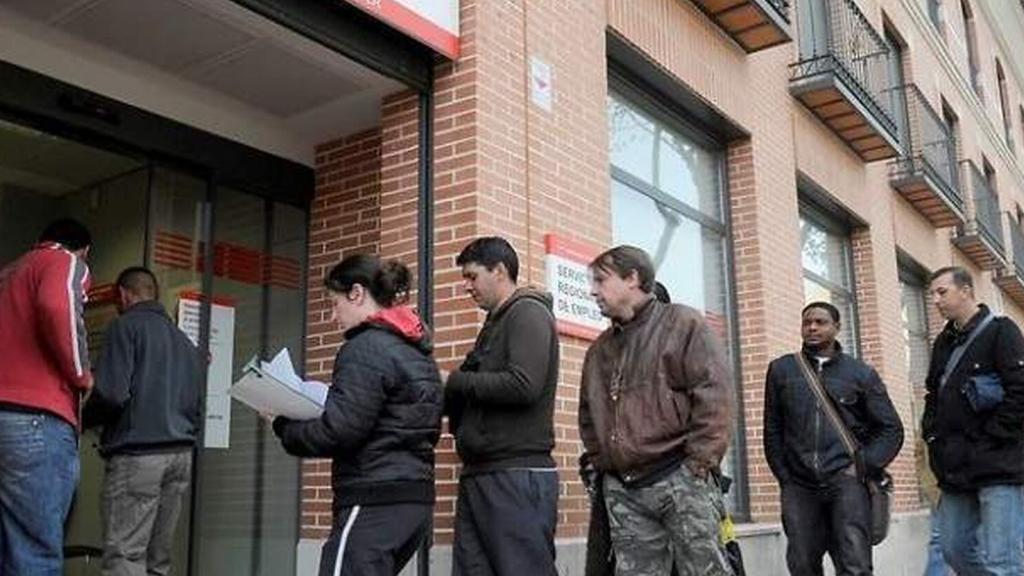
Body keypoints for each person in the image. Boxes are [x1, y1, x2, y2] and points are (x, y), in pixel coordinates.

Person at [272, 255, 442, 576]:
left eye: (335, 303)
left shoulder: (364, 348)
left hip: (372, 499)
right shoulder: (416, 351)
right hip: (413, 500)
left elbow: (339, 431)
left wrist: (282, 425)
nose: (333, 315)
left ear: (357, 293)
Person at [579, 245, 734, 575]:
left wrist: (698, 464)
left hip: (681, 477)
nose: (593, 291)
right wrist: (604, 463)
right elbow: (588, 415)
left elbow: (714, 396)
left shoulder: (683, 324)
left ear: (632, 278)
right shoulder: (599, 349)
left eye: (601, 280)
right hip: (624, 488)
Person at [763, 301, 904, 576]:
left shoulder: (860, 373)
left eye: (820, 322)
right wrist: (785, 476)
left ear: (837, 327)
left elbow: (891, 430)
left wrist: (861, 467)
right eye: (807, 322)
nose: (812, 327)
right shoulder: (782, 370)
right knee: (802, 564)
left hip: (846, 482)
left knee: (854, 564)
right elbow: (773, 429)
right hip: (799, 485)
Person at [446, 237, 559, 575]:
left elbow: (523, 385)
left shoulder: (528, 313)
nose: (467, 286)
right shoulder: (494, 323)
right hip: (482, 473)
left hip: (515, 476)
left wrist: (452, 381)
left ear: (499, 271)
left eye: (472, 276)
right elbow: (473, 390)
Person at [83, 267, 202, 576]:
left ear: (123, 295)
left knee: (126, 555)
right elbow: (196, 404)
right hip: (180, 457)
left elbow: (111, 394)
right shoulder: (184, 342)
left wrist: (79, 419)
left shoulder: (124, 327)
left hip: (139, 455)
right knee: (158, 560)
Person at [0, 218, 93, 574]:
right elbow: (57, 307)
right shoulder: (64, 261)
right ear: (84, 251)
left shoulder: (9, 273)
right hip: (36, 420)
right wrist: (82, 374)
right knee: (35, 551)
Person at [922, 266, 1024, 576]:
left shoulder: (1002, 331)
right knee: (953, 549)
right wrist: (932, 435)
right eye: (932, 294)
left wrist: (993, 437)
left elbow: (1020, 391)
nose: (935, 300)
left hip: (998, 464)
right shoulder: (944, 342)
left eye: (942, 292)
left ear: (966, 291)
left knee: (1002, 561)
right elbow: (933, 394)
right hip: (955, 467)